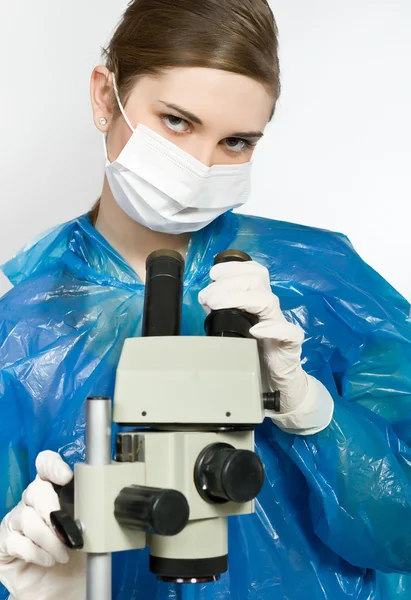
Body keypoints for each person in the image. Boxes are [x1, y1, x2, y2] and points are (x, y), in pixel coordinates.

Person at [0, 0, 410, 598]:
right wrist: (43, 588)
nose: (198, 168)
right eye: (176, 122)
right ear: (105, 98)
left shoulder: (321, 284)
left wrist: (312, 411)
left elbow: (401, 530)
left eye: (237, 141)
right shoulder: (25, 337)